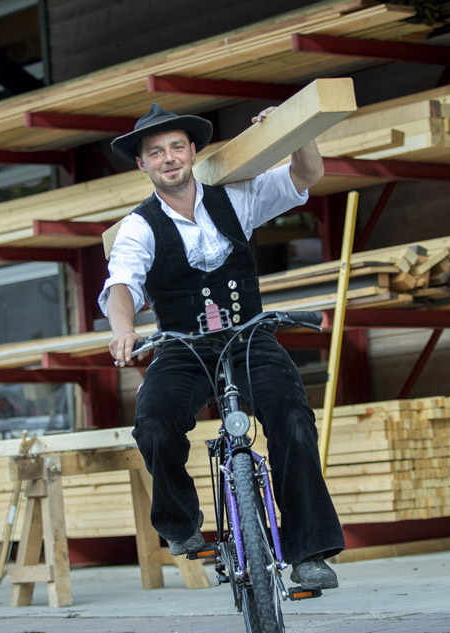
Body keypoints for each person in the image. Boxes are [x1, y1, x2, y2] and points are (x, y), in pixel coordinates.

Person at [98, 102, 345, 590]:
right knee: (152, 423)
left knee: (293, 418)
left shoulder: (236, 197)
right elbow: (121, 284)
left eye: (175, 148)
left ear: (192, 152)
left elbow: (307, 172)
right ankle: (182, 526)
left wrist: (294, 130)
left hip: (249, 337)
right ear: (142, 165)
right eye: (155, 153)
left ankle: (309, 553)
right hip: (183, 346)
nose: (168, 158)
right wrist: (123, 329)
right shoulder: (138, 226)